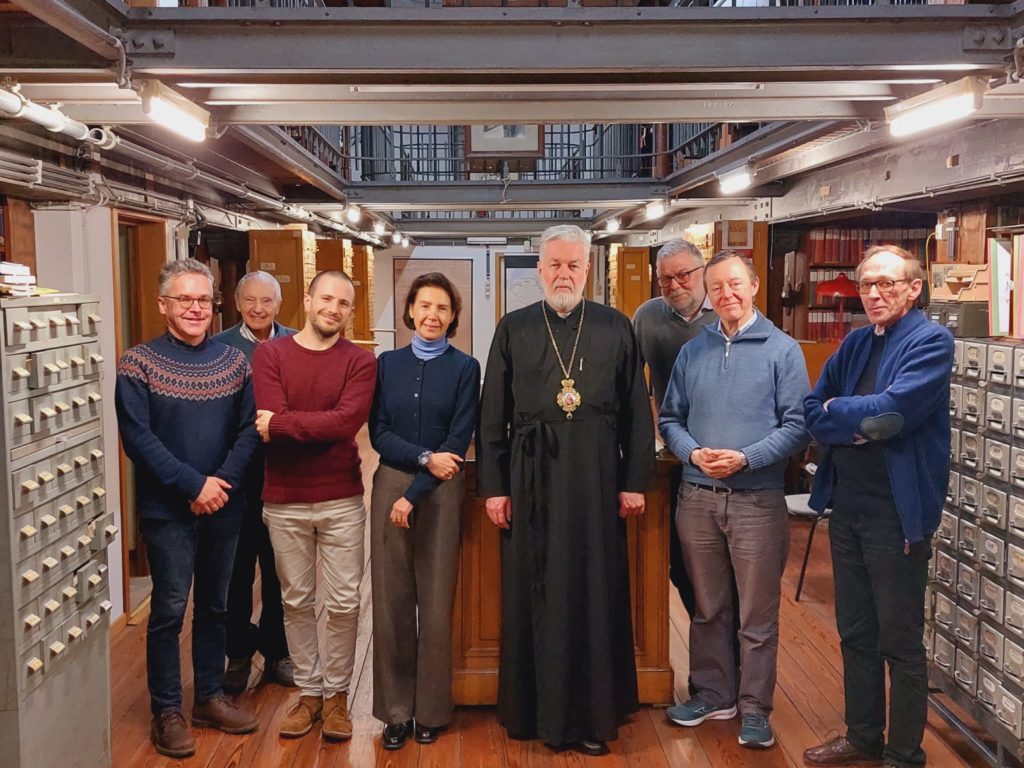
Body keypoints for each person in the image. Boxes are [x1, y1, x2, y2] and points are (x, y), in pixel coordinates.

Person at [477, 224, 654, 757]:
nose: (564, 274)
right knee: (537, 590)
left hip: (598, 477)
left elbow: (637, 414)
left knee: (593, 593)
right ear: (539, 271)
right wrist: (493, 487)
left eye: (574, 266)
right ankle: (535, 712)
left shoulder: (616, 326)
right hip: (530, 478)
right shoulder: (513, 328)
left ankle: (590, 716)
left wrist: (634, 482)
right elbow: (492, 416)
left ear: (588, 270)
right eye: (554, 265)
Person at [802, 246, 952, 768]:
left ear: (914, 288)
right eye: (866, 284)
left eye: (886, 283)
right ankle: (862, 736)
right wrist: (852, 424)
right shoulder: (856, 343)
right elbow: (809, 412)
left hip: (897, 515)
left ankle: (904, 754)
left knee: (900, 640)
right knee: (855, 631)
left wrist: (839, 414)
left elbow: (892, 414)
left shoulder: (932, 341)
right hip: (848, 508)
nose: (873, 293)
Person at [659, 250, 809, 750]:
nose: (726, 294)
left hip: (756, 503)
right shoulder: (692, 352)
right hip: (697, 498)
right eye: (717, 287)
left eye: (735, 285)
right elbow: (670, 419)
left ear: (753, 287)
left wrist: (745, 458)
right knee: (707, 607)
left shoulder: (783, 351)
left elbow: (798, 425)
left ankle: (754, 708)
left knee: (756, 614)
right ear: (708, 292)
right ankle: (713, 692)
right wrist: (692, 452)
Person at [115, 258, 261, 759]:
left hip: (225, 504)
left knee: (216, 607)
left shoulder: (234, 363)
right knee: (170, 609)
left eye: (204, 299)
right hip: (168, 511)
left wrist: (220, 485)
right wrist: (194, 485)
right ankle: (168, 711)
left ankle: (210, 697)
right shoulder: (138, 364)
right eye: (185, 299)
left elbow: (248, 433)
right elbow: (139, 440)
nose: (197, 308)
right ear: (164, 305)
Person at [251, 270, 377, 742]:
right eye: (327, 299)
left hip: (342, 498)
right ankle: (308, 693)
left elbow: (346, 424)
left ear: (349, 310)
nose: (334, 309)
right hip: (283, 499)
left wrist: (283, 426)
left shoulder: (360, 362)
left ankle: (337, 696)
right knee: (296, 602)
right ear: (307, 301)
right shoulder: (270, 354)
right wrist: (309, 424)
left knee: (344, 603)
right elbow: (273, 412)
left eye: (343, 303)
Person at [369, 273, 481, 750]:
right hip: (392, 481)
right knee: (392, 603)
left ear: (453, 316)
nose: (433, 315)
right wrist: (419, 463)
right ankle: (396, 711)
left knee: (436, 606)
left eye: (442, 308)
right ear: (410, 311)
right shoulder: (386, 364)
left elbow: (458, 437)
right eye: (424, 306)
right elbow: (378, 431)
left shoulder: (465, 368)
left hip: (442, 488)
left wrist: (414, 493)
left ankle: (431, 710)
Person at [212, 271, 296, 693]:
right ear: (236, 302)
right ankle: (239, 652)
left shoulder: (296, 343)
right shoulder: (220, 348)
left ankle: (278, 651)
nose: (258, 308)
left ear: (279, 304)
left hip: (285, 474)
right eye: (250, 301)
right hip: (236, 478)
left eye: (266, 301)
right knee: (237, 571)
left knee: (281, 569)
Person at [633, 238, 715, 618]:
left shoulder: (728, 311)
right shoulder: (648, 316)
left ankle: (727, 664)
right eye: (665, 279)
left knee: (723, 571)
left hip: (725, 457)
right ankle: (709, 662)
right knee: (681, 566)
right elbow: (629, 380)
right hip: (674, 455)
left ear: (702, 272)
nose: (675, 285)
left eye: (684, 275)